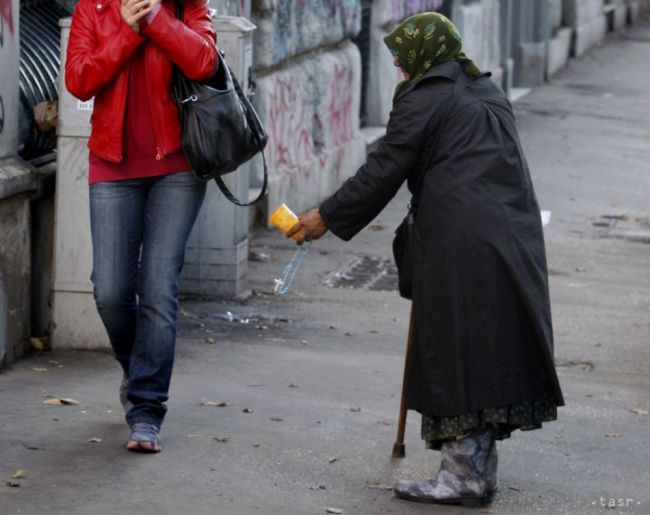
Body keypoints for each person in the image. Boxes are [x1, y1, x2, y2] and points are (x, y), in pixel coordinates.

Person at [288, 12, 564, 507]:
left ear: (425, 53)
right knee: (487, 349)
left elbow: (383, 171)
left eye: (402, 52)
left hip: (462, 240)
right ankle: (476, 470)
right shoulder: (482, 88)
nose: (395, 61)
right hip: (511, 233)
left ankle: (463, 478)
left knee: (458, 353)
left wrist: (322, 218)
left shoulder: (425, 97)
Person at [65, 0, 218, 452]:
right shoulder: (93, 9)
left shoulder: (186, 5)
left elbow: (204, 62)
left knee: (157, 287)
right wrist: (127, 31)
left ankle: (147, 409)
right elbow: (79, 81)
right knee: (110, 290)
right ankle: (138, 369)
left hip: (178, 165)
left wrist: (155, 20)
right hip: (112, 164)